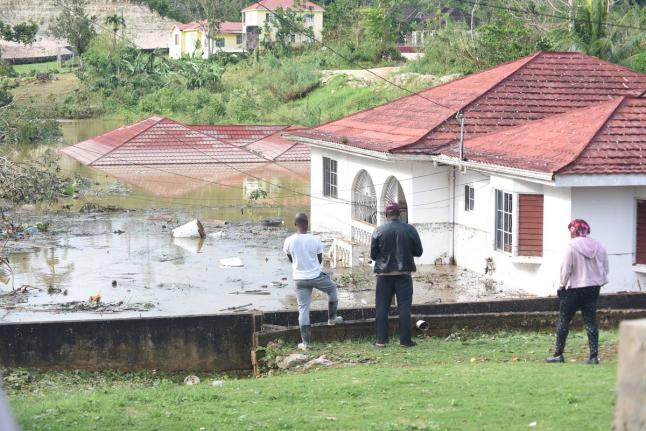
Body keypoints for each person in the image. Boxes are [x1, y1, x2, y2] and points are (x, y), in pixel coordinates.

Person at [546, 219, 609, 365]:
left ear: (573, 231)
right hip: (593, 288)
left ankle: (558, 354)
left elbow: (566, 269)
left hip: (574, 289)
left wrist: (562, 285)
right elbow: (606, 267)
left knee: (564, 321)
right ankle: (593, 357)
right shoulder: (599, 246)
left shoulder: (571, 247)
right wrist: (596, 280)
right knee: (591, 322)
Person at [283, 213, 343, 350]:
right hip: (315, 276)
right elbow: (320, 259)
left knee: (303, 308)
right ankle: (332, 318)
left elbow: (290, 258)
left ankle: (306, 343)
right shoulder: (315, 240)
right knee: (332, 289)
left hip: (299, 279)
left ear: (295, 225)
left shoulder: (288, 241)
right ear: (307, 224)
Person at [370, 203, 423, 348]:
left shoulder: (379, 230)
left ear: (386, 215)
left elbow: (373, 255)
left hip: (384, 275)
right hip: (404, 274)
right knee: (404, 308)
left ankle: (381, 340)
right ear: (400, 215)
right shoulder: (410, 229)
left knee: (382, 308)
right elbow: (419, 251)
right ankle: (405, 341)